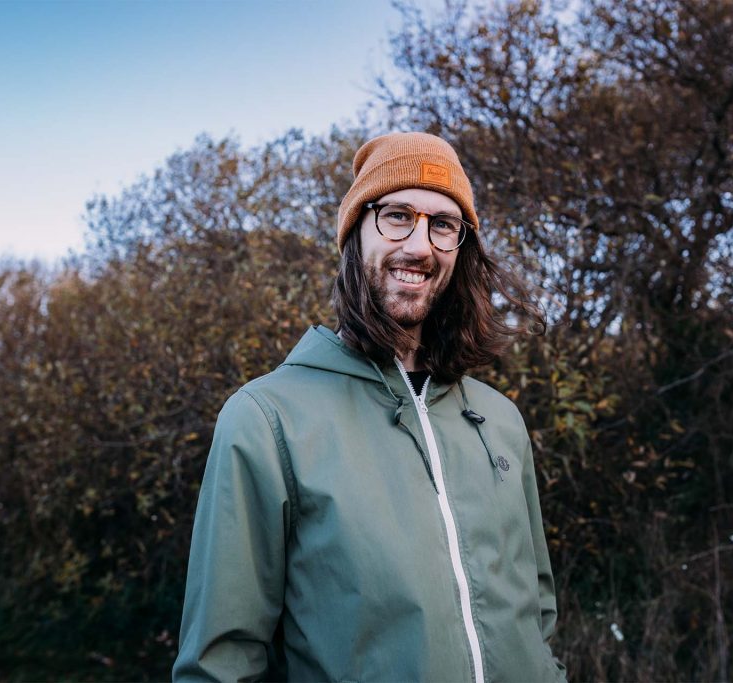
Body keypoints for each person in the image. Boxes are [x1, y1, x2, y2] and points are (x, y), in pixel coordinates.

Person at [172, 132, 567, 682]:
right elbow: (221, 665)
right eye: (397, 215)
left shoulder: (500, 420)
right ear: (354, 234)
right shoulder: (267, 419)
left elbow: (537, 616)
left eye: (442, 224)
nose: (420, 245)